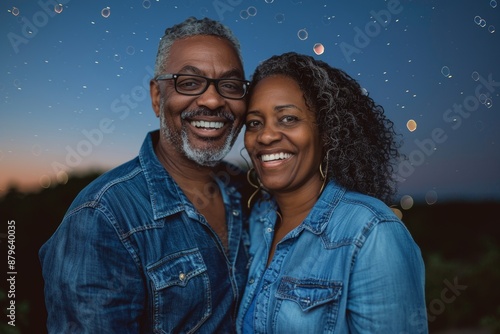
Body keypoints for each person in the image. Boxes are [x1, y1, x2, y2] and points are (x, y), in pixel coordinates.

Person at [39, 17, 252, 333]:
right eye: (189, 82)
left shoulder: (249, 189)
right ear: (157, 97)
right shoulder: (102, 218)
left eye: (231, 85)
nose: (213, 100)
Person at [237, 52, 428, 333]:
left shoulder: (371, 232)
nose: (266, 136)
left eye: (288, 118)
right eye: (254, 122)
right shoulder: (256, 221)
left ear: (327, 132)